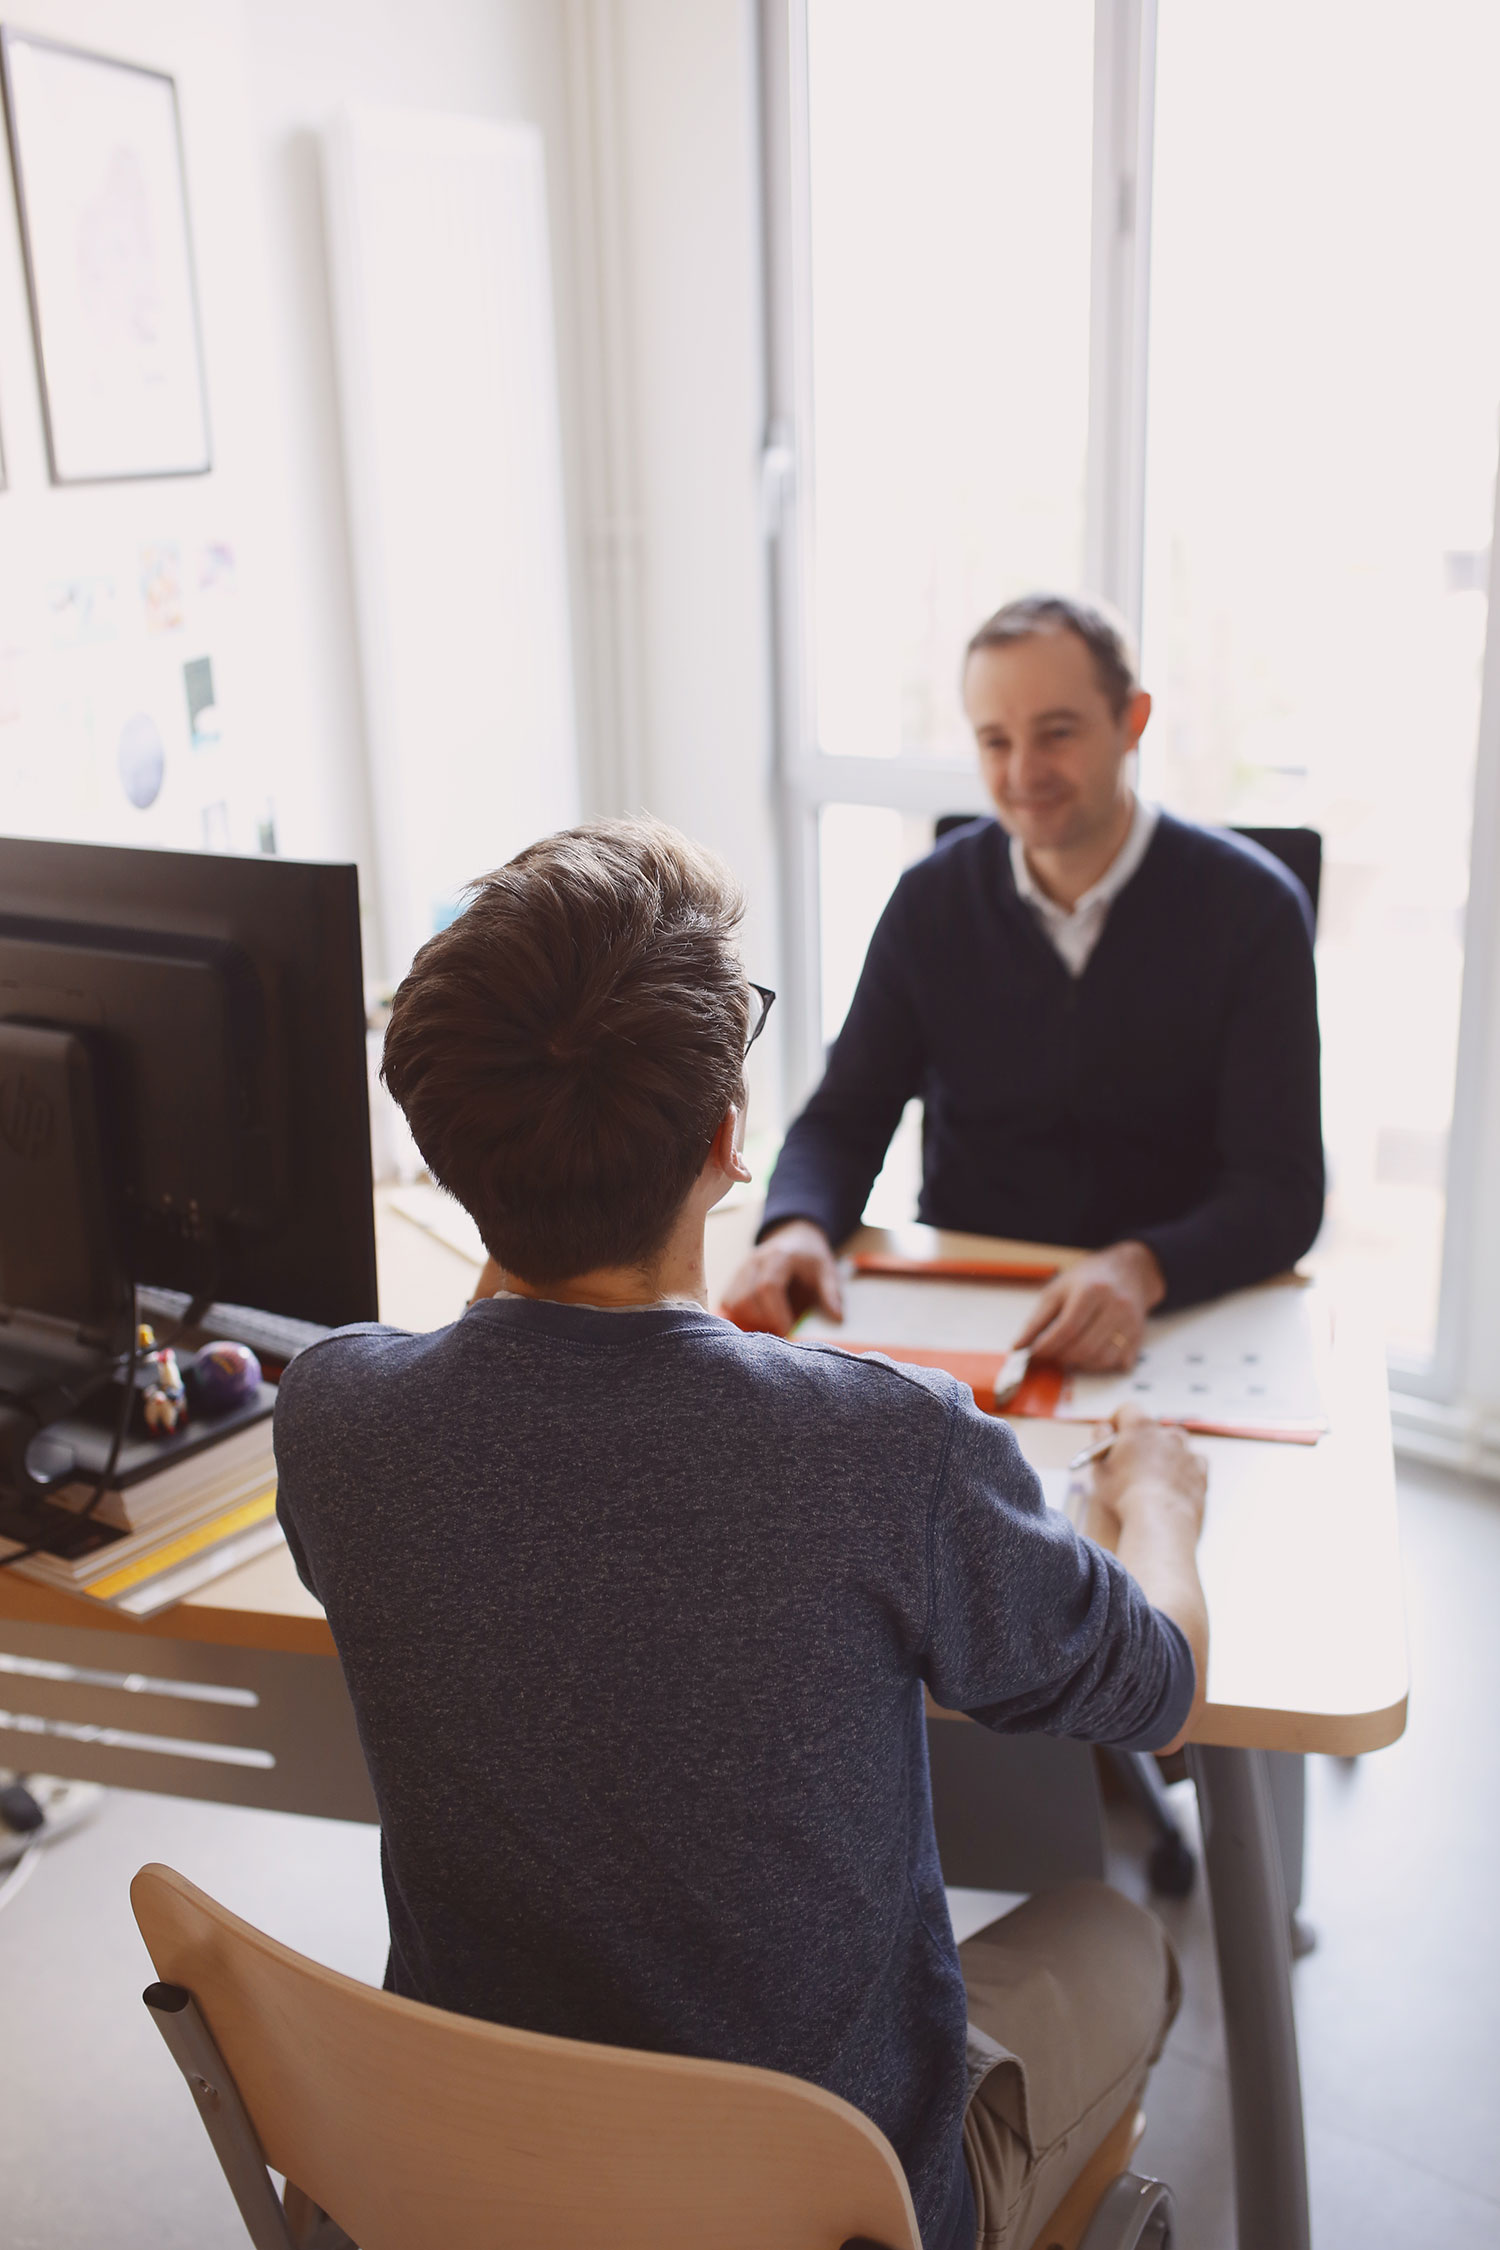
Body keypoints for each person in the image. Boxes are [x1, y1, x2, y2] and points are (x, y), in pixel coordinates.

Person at [274, 818, 1209, 2250]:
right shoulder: (881, 1445)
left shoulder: (332, 1415)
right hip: (825, 2205)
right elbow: (1160, 1688)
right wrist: (1155, 1497)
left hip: (468, 2182)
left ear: (440, 1133)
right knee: (1118, 1934)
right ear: (726, 1142)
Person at [723, 593, 1324, 1370]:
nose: (1022, 773)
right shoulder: (930, 902)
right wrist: (795, 1226)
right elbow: (844, 1119)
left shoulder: (1255, 911)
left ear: (1132, 721)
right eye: (994, 741)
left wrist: (1145, 1266)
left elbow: (1280, 1191)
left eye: (1058, 734)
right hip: (969, 1308)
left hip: (1167, 1316)